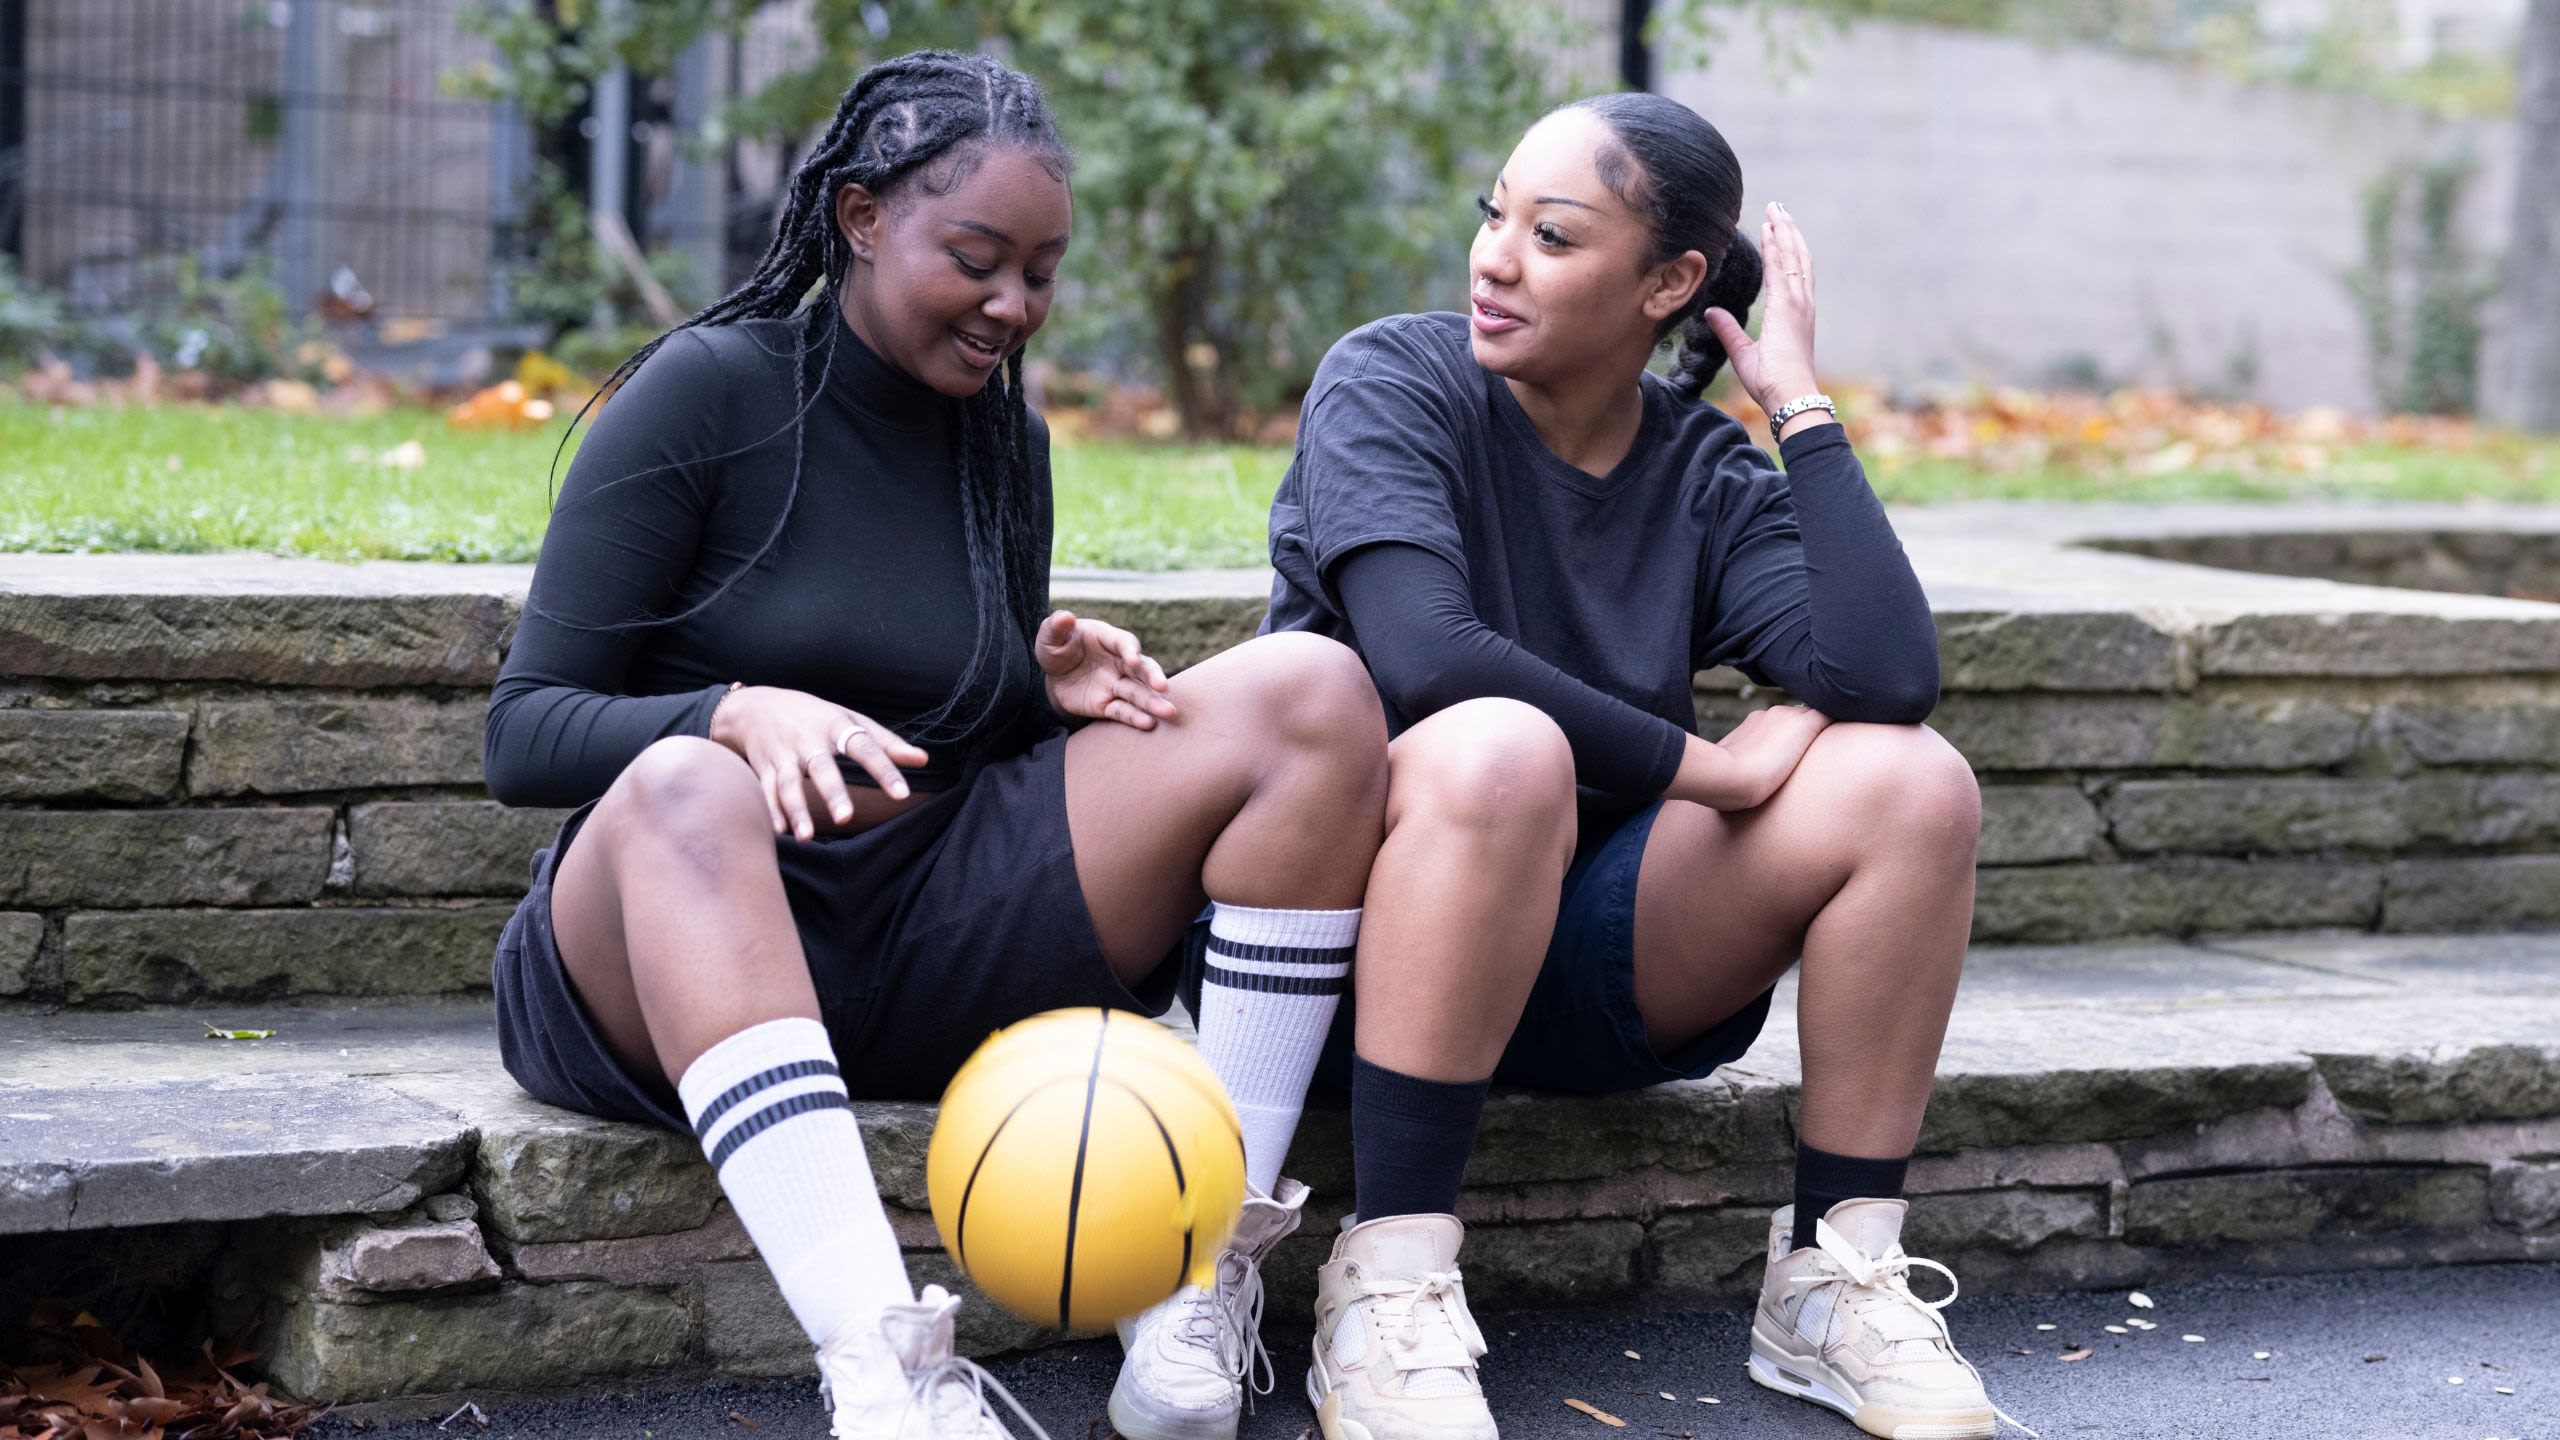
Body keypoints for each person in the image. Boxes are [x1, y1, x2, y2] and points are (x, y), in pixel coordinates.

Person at [480, 51, 1389, 1440]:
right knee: (681, 781)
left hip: (925, 926)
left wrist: (1042, 686)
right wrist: (728, 711)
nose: (1012, 306)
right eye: (976, 259)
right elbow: (526, 731)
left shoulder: (999, 432)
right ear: (860, 218)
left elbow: (944, 730)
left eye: (1042, 272)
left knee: (1312, 692)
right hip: (682, 941)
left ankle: (1187, 1265)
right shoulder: (710, 392)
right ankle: (880, 1368)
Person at [1255, 93, 2024, 1440]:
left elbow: (1885, 676)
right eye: (1495, 216)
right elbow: (1427, 660)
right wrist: (1711, 772)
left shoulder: (1700, 470)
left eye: (1551, 235)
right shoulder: (1395, 381)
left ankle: (1834, 1280)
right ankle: (1387, 1281)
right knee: (1500, 750)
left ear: (1668, 282)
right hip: (1357, 963)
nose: (1495, 256)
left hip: (1592, 956)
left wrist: (1798, 405)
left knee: (1913, 783)